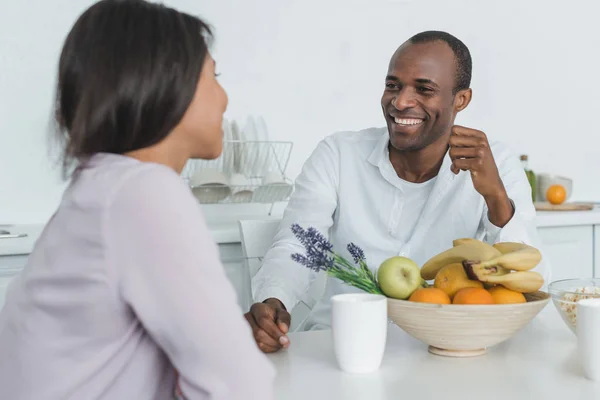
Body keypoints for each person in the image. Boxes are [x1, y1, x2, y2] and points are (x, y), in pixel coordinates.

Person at [0, 1, 275, 399]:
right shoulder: (143, 195)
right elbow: (239, 385)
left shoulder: (103, 187)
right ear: (166, 85)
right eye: (214, 76)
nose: (225, 99)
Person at [246, 31, 550, 353]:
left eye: (424, 89)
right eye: (393, 85)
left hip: (444, 352)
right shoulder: (338, 154)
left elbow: (533, 280)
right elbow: (299, 242)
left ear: (460, 100)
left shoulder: (495, 163)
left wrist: (496, 198)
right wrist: (274, 300)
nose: (401, 101)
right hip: (339, 344)